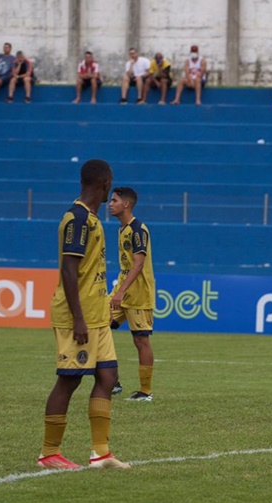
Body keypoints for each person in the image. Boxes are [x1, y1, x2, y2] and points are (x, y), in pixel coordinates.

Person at [39, 159, 128, 470]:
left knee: (108, 376)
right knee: (69, 381)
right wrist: (78, 318)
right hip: (78, 317)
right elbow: (69, 268)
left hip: (97, 315)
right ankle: (49, 453)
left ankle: (100, 453)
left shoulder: (90, 219)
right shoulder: (76, 219)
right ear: (104, 184)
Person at [107, 187, 156, 402]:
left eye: (114, 200)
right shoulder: (122, 230)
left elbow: (138, 264)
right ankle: (113, 381)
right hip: (123, 291)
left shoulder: (138, 230)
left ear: (126, 204)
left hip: (138, 294)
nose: (110, 203)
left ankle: (145, 392)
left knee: (140, 341)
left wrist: (122, 291)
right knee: (98, 326)